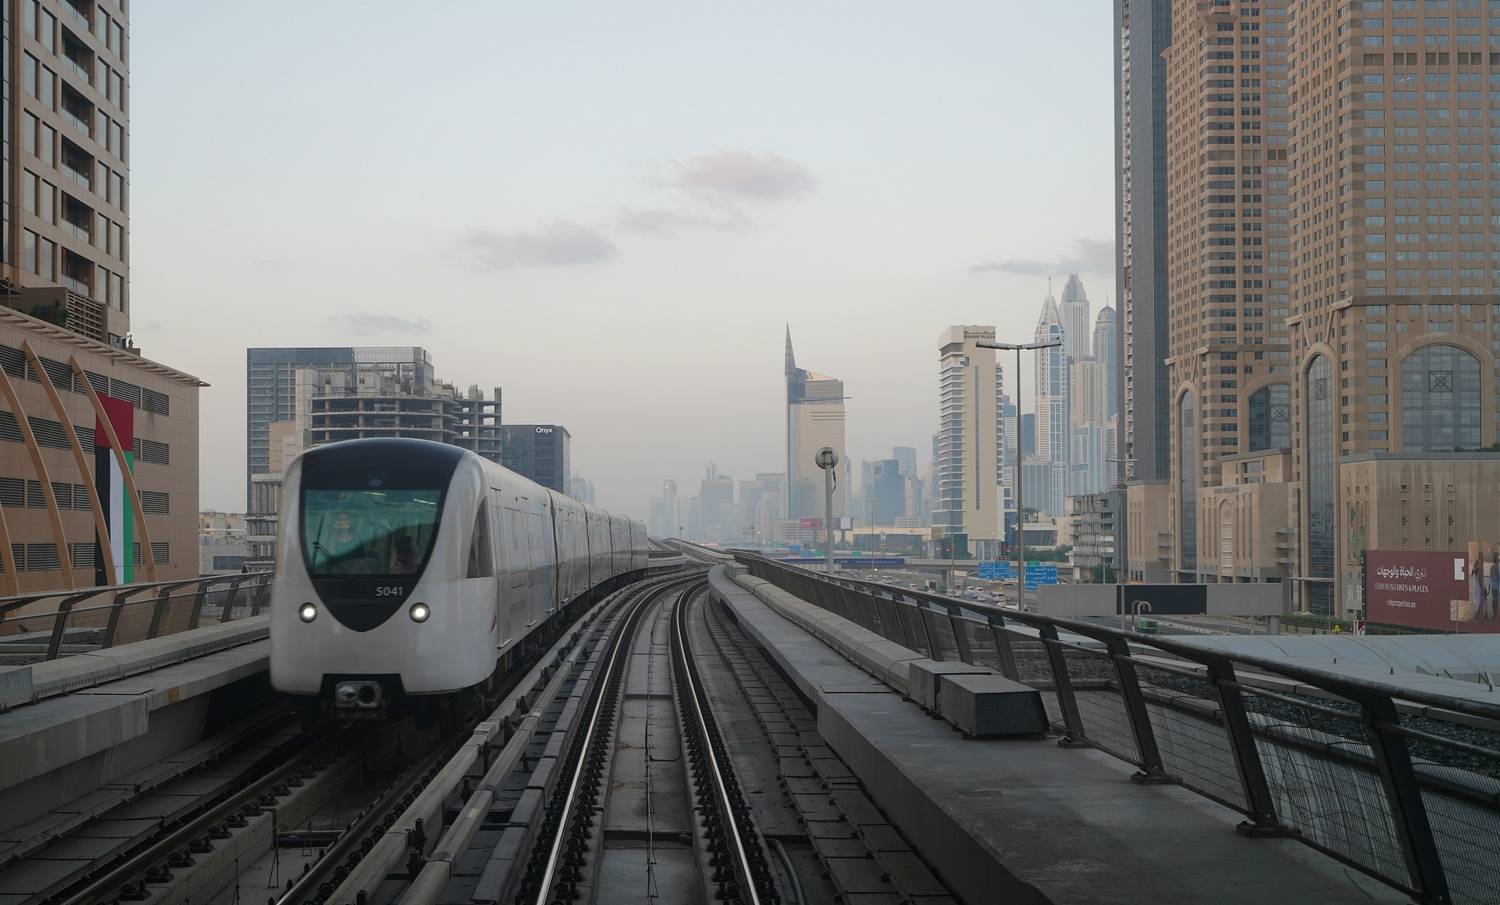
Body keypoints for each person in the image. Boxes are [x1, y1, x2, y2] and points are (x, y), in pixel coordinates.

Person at [1472, 557, 1488, 622]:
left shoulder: (1476, 568)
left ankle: (1477, 612)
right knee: (1479, 598)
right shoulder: (1478, 569)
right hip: (1478, 586)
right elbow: (1480, 579)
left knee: (1477, 599)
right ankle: (1478, 612)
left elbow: (1472, 573)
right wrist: (1483, 588)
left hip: (1476, 585)